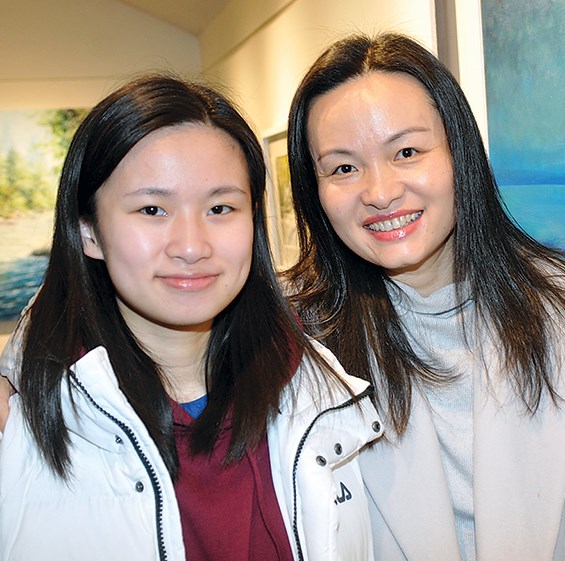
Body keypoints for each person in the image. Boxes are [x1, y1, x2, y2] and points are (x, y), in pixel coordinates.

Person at [284, 32, 565, 561]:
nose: (380, 192)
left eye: (406, 151)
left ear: (460, 154)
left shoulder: (559, 308)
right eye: (343, 167)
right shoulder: (296, 336)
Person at [0, 74, 382, 561]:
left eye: (221, 207)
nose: (191, 246)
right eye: (152, 209)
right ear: (89, 232)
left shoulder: (317, 384)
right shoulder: (27, 424)